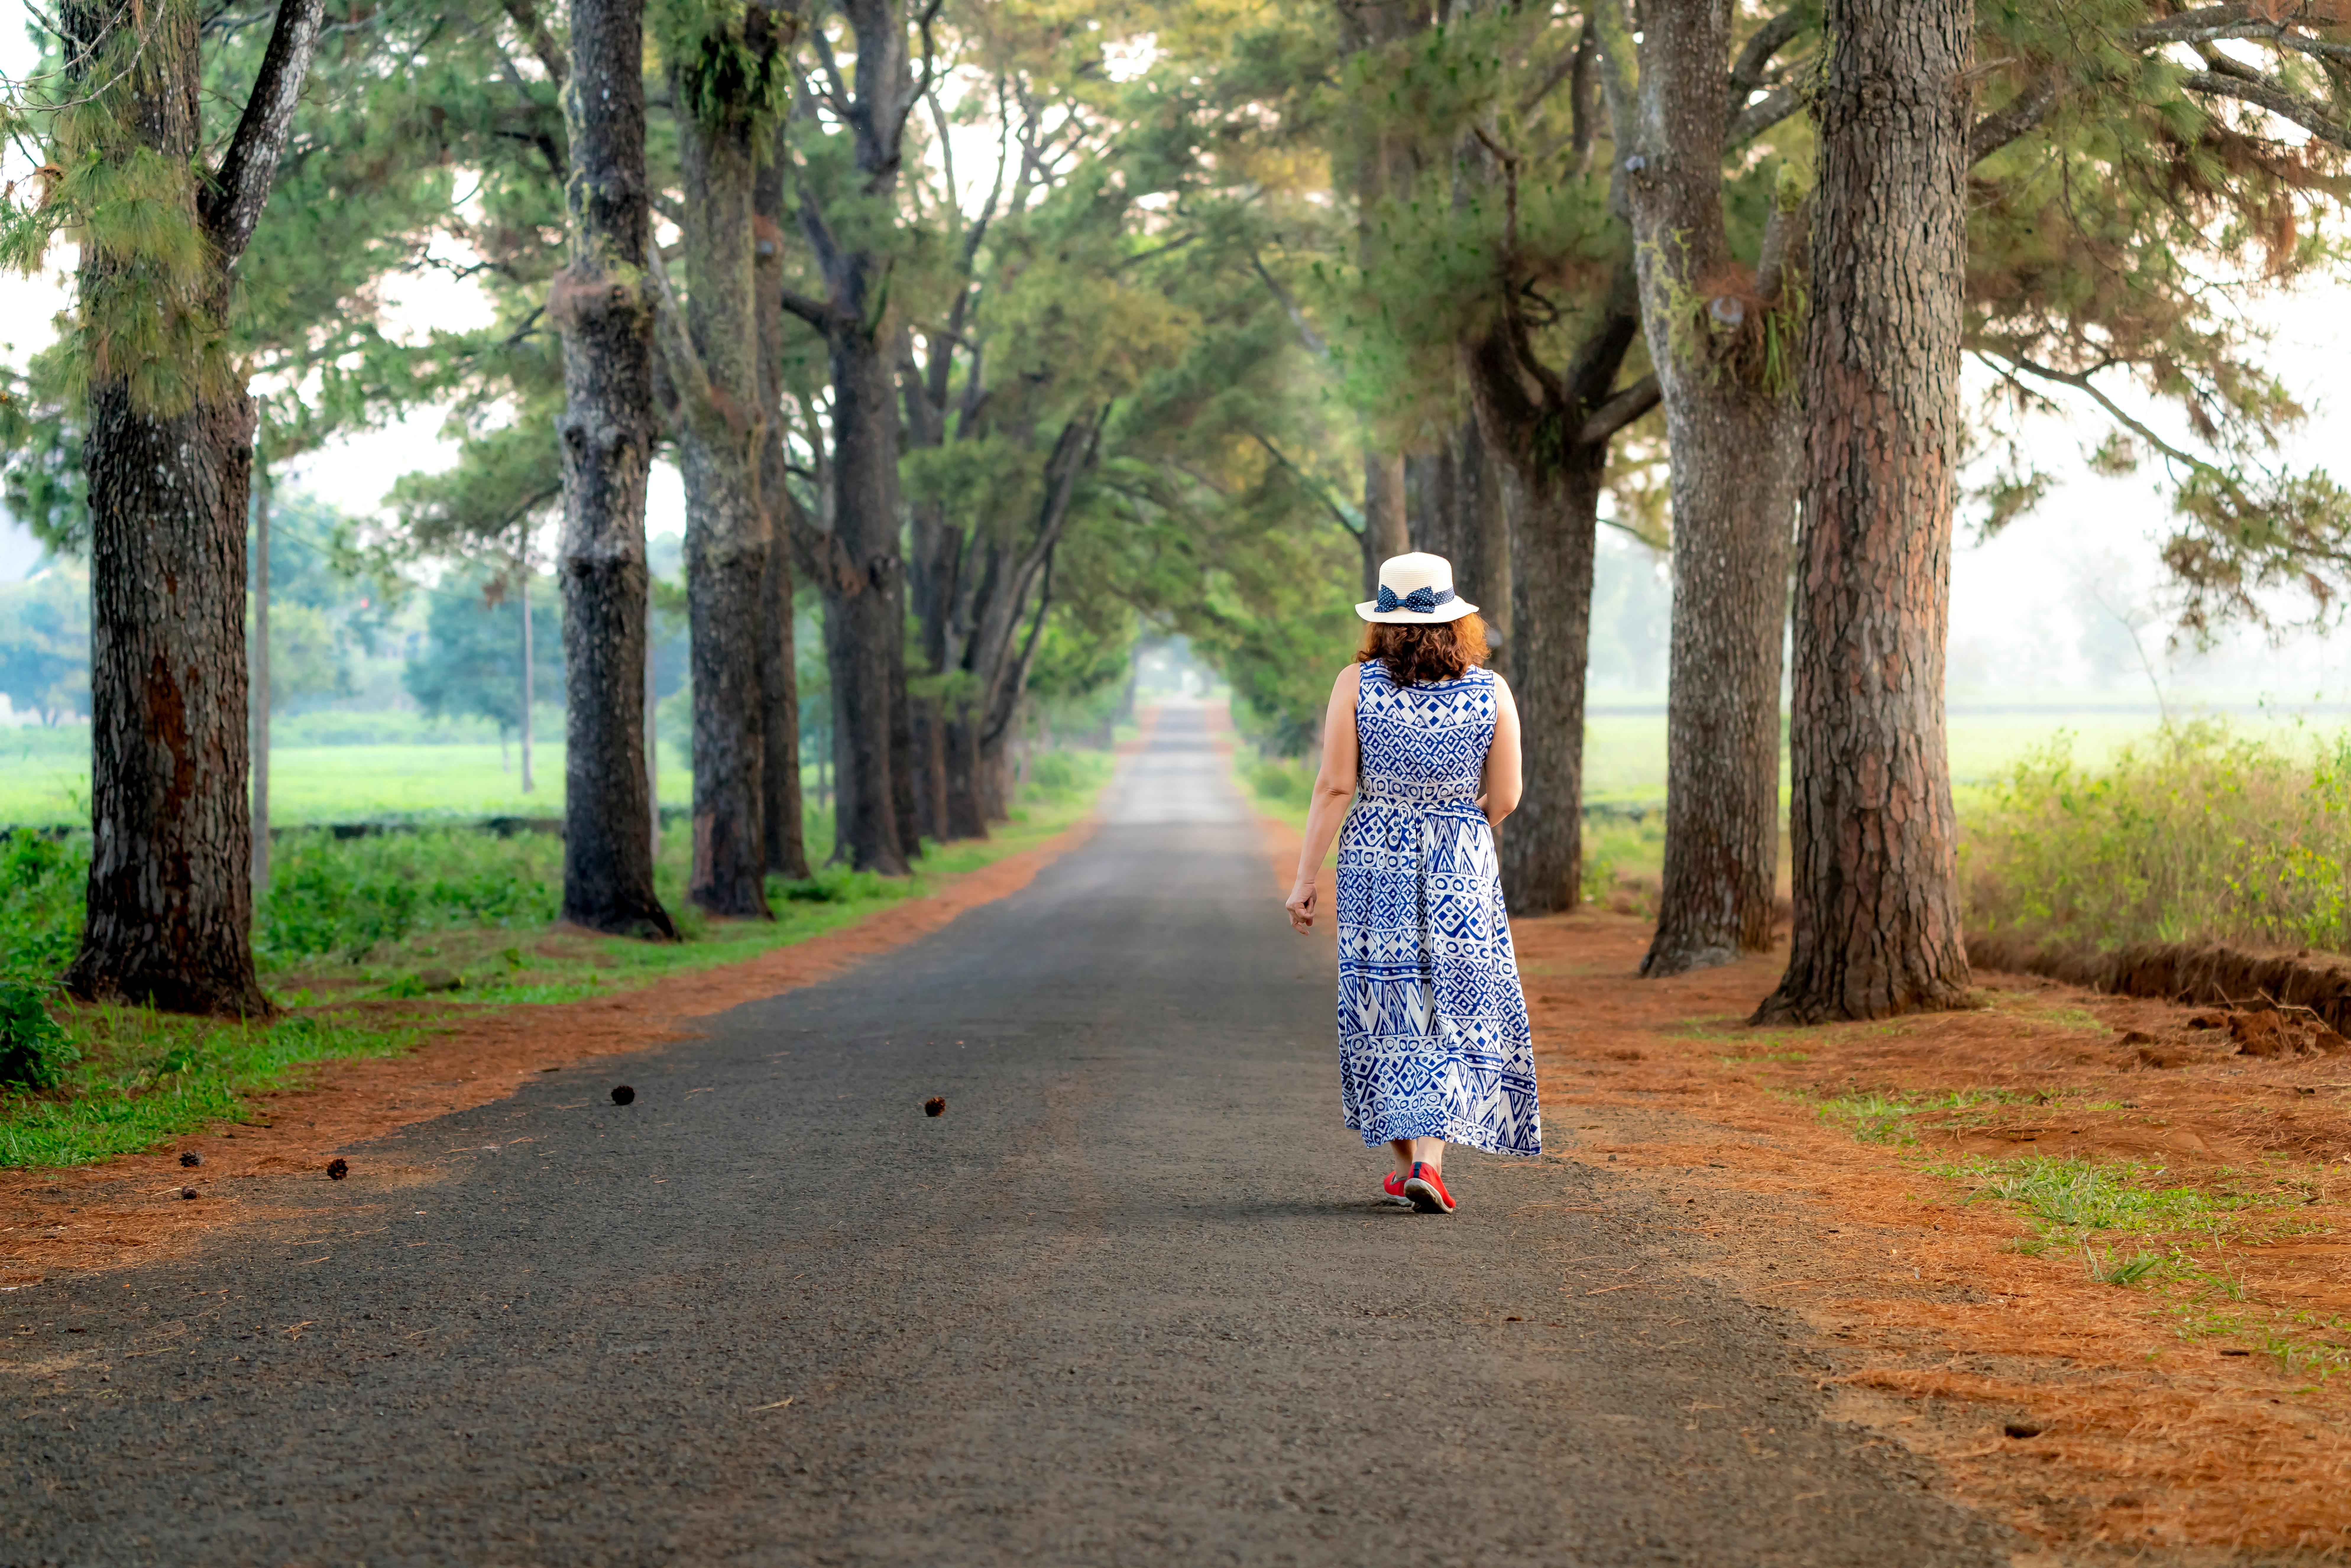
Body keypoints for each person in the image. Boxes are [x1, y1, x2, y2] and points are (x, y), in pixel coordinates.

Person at [1284, 551, 1541, 1214]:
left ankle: (1410, 1167)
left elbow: (1337, 784)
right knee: (1453, 1007)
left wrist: (1305, 877)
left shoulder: (1357, 684)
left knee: (1388, 1003)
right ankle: (1426, 1164)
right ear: (1458, 622)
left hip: (1378, 856)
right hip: (1461, 858)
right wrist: (1458, 829)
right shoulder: (1492, 691)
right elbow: (1507, 795)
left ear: (1381, 623)